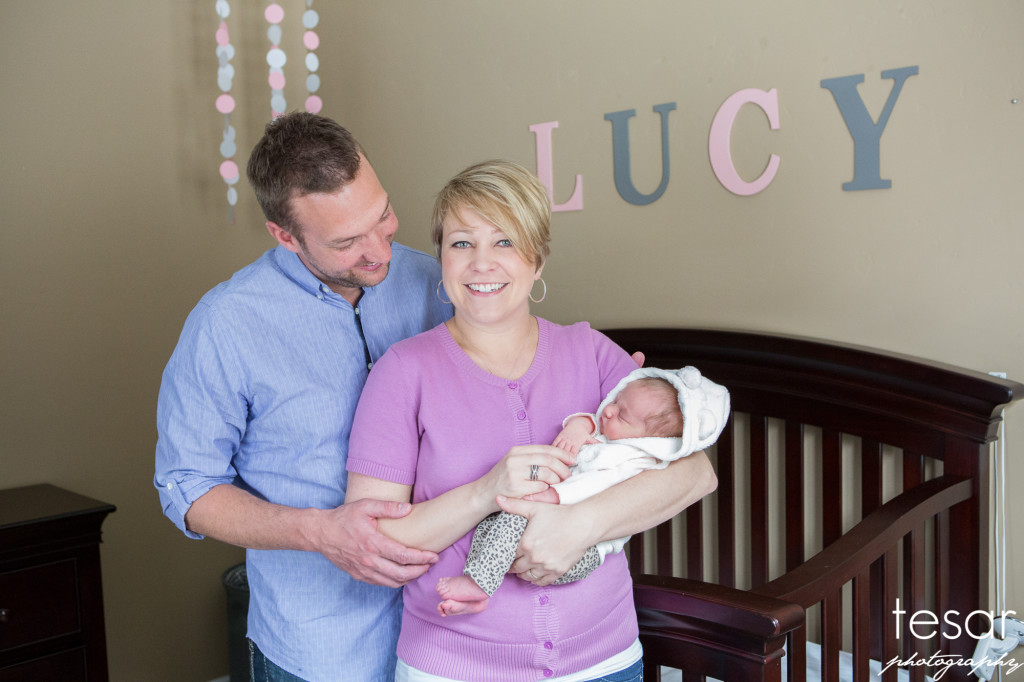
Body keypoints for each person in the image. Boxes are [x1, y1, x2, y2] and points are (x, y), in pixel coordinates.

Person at [345, 159, 718, 682]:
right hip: (455, 668)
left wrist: (579, 526)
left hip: (605, 662)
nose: (481, 263)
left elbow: (695, 473)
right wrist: (485, 491)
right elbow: (375, 538)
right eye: (461, 243)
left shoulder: (589, 353)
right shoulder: (403, 371)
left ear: (537, 260)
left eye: (505, 242)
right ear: (440, 257)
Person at [153, 112, 461, 681]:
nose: (379, 252)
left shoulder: (433, 282)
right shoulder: (226, 325)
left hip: (450, 631)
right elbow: (187, 487)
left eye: (383, 216)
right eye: (347, 241)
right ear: (285, 235)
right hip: (322, 650)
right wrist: (320, 532)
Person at [435, 367, 730, 616]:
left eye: (623, 416)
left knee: (509, 520)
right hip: (549, 526)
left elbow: (595, 485)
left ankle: (479, 584)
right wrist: (579, 426)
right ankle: (485, 581)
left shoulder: (631, 459)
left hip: (586, 552)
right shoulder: (611, 432)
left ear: (648, 440)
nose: (610, 410)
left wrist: (555, 497)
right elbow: (593, 418)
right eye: (617, 399)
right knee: (493, 524)